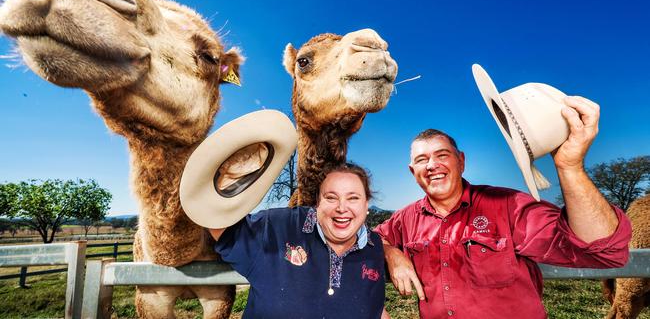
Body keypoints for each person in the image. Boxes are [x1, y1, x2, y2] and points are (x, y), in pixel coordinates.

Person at [374, 95, 632, 318]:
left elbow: (605, 250)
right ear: (413, 171)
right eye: (422, 159)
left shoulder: (509, 206)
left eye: (442, 155)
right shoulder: (405, 219)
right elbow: (368, 239)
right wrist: (390, 253)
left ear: (461, 161)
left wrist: (570, 167)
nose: (432, 165)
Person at [209, 163, 387, 318]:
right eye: (331, 197)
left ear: (366, 205)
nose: (341, 208)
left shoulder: (374, 247)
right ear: (317, 201)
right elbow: (222, 228)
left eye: (353, 198)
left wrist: (392, 252)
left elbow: (374, 308)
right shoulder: (276, 227)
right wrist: (226, 177)